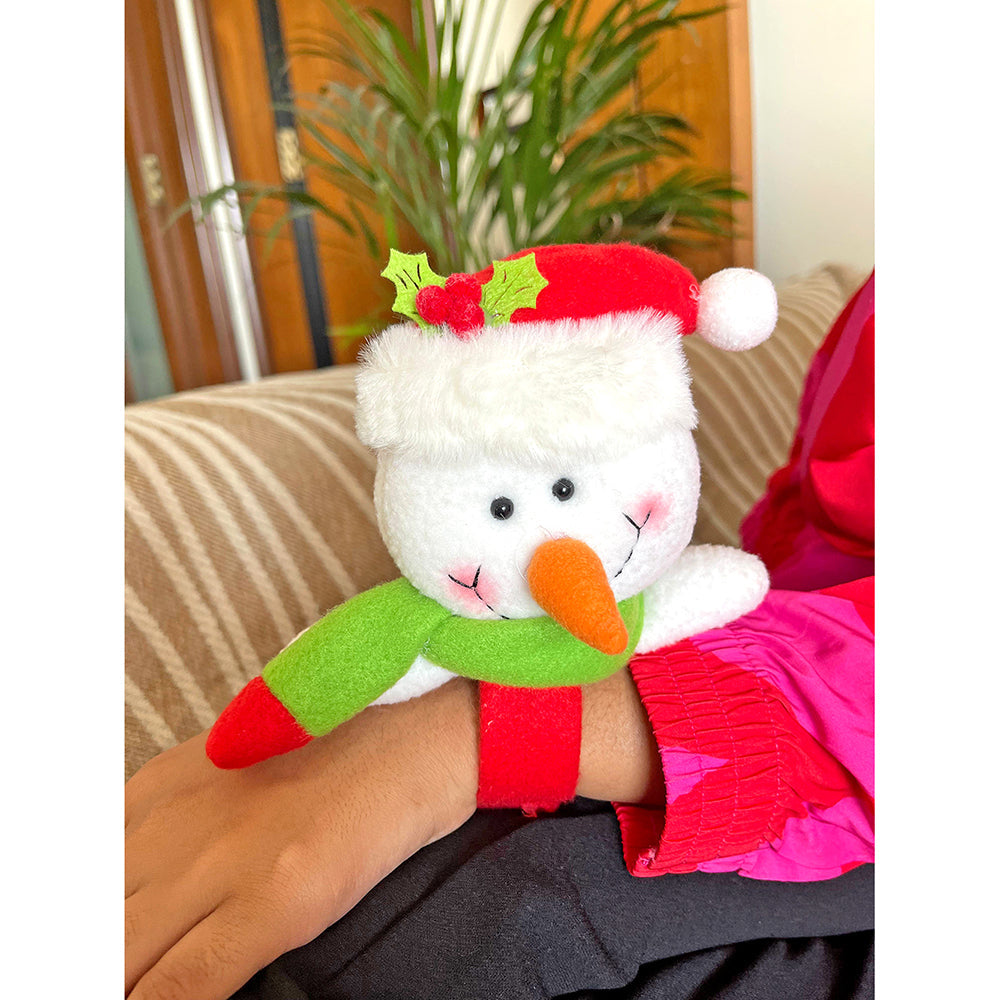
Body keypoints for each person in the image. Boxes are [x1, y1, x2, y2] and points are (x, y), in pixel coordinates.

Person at [125, 274, 874, 1000]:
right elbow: (794, 529)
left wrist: (478, 728)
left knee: (441, 941)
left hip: (793, 773)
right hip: (751, 687)